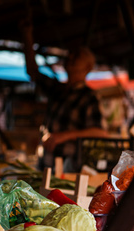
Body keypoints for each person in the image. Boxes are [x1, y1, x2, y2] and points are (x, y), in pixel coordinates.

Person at [21, 20, 109, 170]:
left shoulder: (89, 97)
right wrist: (27, 37)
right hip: (46, 163)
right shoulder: (58, 89)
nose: (71, 58)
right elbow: (32, 72)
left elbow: (100, 132)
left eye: (77, 56)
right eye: (71, 55)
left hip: (68, 167)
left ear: (87, 68)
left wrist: (64, 135)